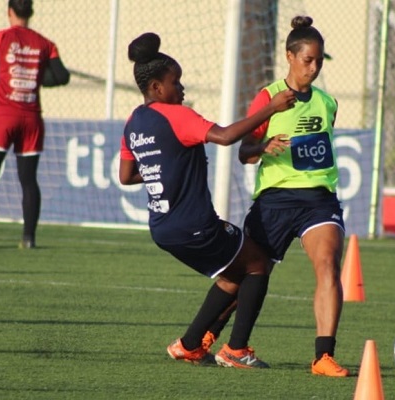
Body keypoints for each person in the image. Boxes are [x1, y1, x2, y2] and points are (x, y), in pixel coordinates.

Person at [118, 32, 295, 369]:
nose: (181, 89)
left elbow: (126, 175)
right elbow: (227, 136)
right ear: (156, 87)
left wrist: (163, 166)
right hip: (193, 224)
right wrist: (270, 108)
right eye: (176, 82)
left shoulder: (133, 122)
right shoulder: (176, 115)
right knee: (258, 262)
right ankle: (237, 350)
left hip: (162, 228)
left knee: (232, 276)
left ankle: (188, 345)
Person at [203, 15, 350, 377]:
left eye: (318, 61)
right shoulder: (268, 98)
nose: (313, 68)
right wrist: (264, 146)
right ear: (289, 56)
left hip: (319, 200)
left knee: (329, 264)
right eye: (307, 60)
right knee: (247, 275)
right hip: (275, 200)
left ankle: (323, 356)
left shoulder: (327, 103)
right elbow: (244, 152)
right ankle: (207, 337)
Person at [0, 0, 70, 249]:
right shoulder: (46, 44)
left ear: (9, 11)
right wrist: (33, 76)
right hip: (31, 118)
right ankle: (29, 239)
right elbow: (62, 76)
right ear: (31, 13)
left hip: (2, 116)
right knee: (29, 179)